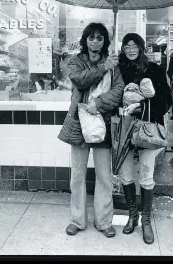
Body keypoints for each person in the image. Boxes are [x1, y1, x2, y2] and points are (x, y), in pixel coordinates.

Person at [58, 22, 125, 238]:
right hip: (79, 123)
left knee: (104, 176)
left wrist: (101, 102)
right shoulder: (76, 61)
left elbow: (119, 91)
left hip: (103, 124)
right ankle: (77, 220)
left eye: (100, 38)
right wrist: (103, 67)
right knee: (77, 176)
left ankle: (104, 221)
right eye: (91, 37)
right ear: (85, 40)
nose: (95, 41)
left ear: (105, 41)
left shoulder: (114, 62)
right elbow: (79, 80)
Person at [118, 33, 173, 245]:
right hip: (123, 127)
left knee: (147, 174)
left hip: (147, 129)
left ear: (141, 48)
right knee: (126, 174)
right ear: (123, 49)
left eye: (134, 46)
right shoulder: (118, 70)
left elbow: (166, 99)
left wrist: (140, 107)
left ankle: (146, 220)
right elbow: (113, 95)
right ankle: (132, 215)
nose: (130, 49)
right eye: (126, 46)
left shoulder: (154, 69)